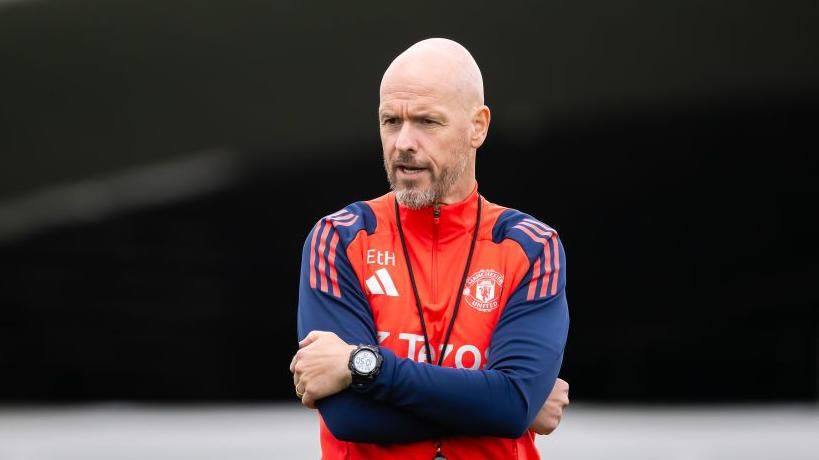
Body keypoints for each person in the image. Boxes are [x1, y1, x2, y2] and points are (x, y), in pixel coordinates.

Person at [290, 38, 570, 459]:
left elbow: (511, 407)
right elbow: (350, 418)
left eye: (426, 122)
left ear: (478, 126)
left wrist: (363, 365)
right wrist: (495, 403)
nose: (403, 142)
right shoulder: (340, 239)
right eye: (390, 121)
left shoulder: (531, 247)